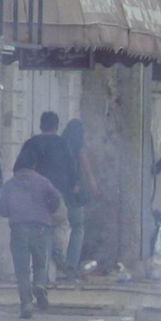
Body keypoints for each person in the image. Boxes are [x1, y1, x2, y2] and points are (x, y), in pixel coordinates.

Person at [14, 111, 76, 274]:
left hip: (34, 198)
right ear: (57, 126)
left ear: (41, 125)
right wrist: (70, 191)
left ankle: (40, 273)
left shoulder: (31, 143)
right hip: (57, 196)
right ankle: (59, 257)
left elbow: (19, 170)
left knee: (36, 231)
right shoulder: (64, 145)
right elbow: (71, 172)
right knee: (60, 226)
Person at [0, 168, 62, 318]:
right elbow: (56, 199)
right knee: (40, 263)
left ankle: (26, 303)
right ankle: (39, 284)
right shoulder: (43, 181)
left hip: (19, 228)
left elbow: (2, 210)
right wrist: (47, 210)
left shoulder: (10, 185)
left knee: (22, 269)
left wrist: (14, 211)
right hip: (40, 226)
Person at [58, 119, 98, 278]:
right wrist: (94, 187)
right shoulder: (79, 148)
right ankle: (71, 266)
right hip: (74, 194)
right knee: (77, 226)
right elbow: (87, 171)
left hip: (57, 192)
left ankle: (55, 265)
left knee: (56, 228)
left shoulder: (58, 146)